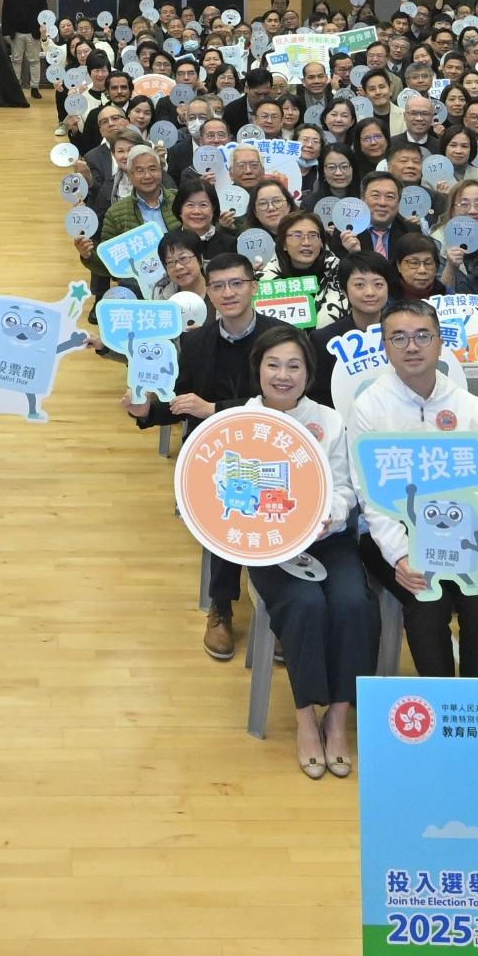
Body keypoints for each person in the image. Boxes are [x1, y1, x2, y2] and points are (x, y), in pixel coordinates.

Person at [238, 327, 375, 776]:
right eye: (273, 364)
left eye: (294, 365)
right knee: (305, 603)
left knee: (354, 603)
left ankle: (337, 714)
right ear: (258, 368)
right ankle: (304, 716)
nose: (283, 375)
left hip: (327, 537)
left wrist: (325, 519)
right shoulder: (239, 423)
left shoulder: (329, 420)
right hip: (269, 545)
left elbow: (345, 488)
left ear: (309, 373)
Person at [136, 249, 282, 656]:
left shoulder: (279, 337)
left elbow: (283, 400)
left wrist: (215, 409)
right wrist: (148, 410)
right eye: (218, 285)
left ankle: (279, 610)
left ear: (252, 287)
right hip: (214, 454)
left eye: (237, 283)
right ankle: (221, 605)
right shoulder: (196, 341)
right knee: (227, 501)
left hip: (270, 446)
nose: (228, 292)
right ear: (208, 294)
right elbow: (181, 399)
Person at [349, 301, 478, 678]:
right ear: (384, 346)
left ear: (439, 342)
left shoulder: (465, 404)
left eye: (422, 336)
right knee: (428, 602)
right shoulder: (369, 406)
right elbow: (371, 496)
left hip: (462, 536)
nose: (411, 347)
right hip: (394, 538)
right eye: (398, 338)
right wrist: (402, 556)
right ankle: (443, 708)